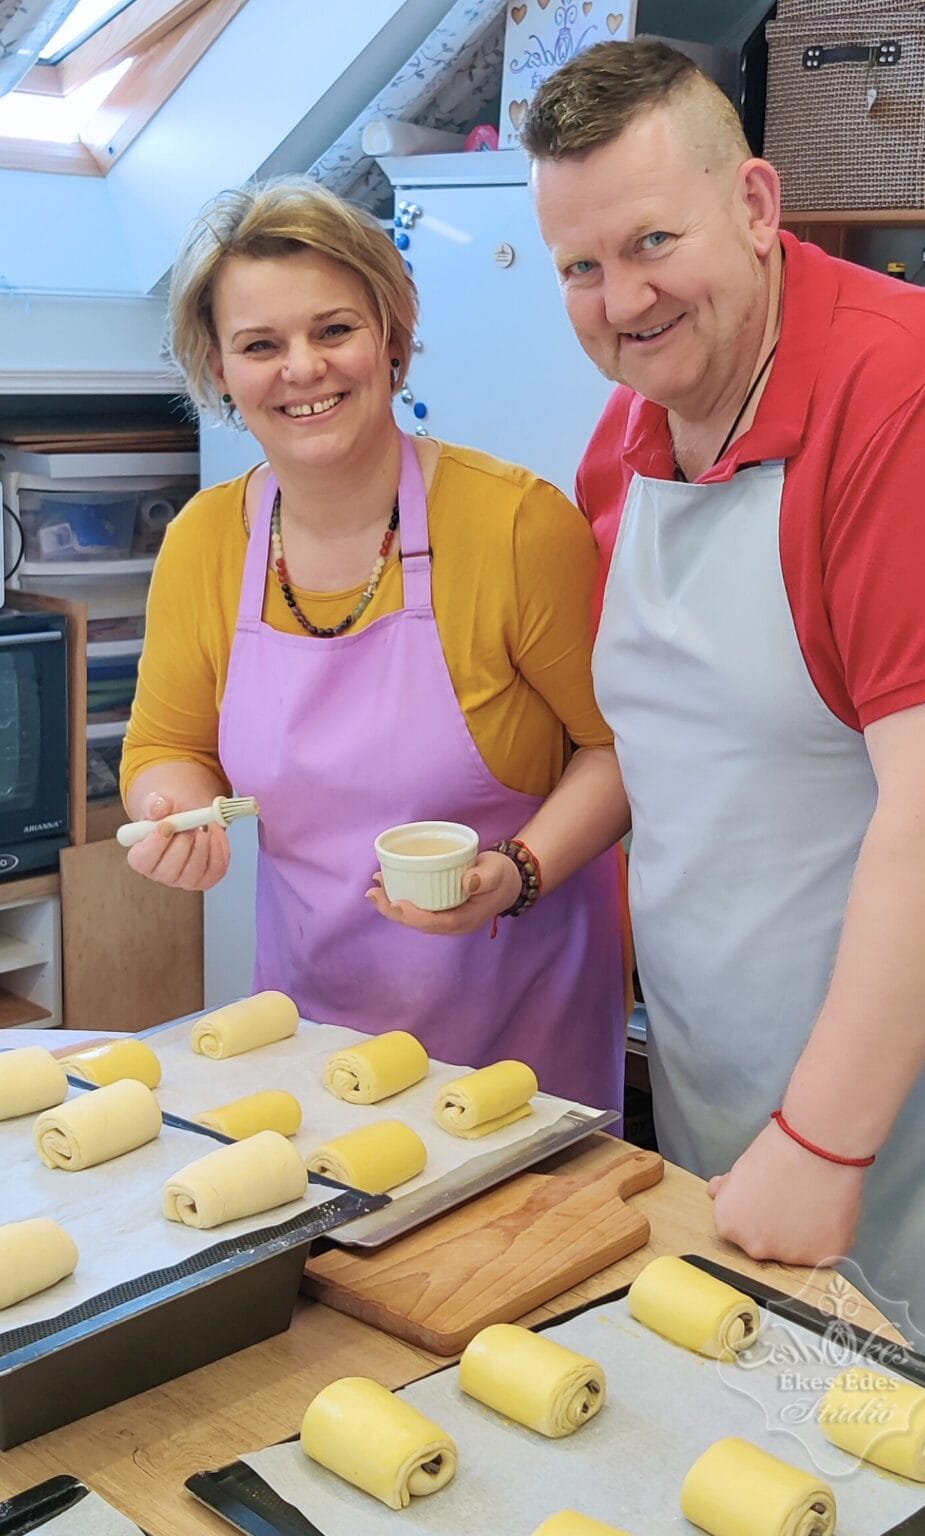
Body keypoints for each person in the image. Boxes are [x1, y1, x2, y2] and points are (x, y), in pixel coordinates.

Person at [522, 35, 925, 1416]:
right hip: (718, 1100)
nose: (621, 297)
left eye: (652, 240)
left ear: (755, 205)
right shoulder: (625, 437)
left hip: (907, 1130)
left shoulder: (918, 393)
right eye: (579, 265)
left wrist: (826, 1138)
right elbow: (672, 751)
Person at [120, 175, 629, 1116]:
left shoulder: (516, 525)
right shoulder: (205, 543)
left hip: (520, 1049)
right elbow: (168, 750)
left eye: (334, 330)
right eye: (260, 345)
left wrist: (515, 873)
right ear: (219, 369)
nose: (303, 368)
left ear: (392, 339)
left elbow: (619, 751)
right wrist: (171, 812)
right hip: (312, 1044)